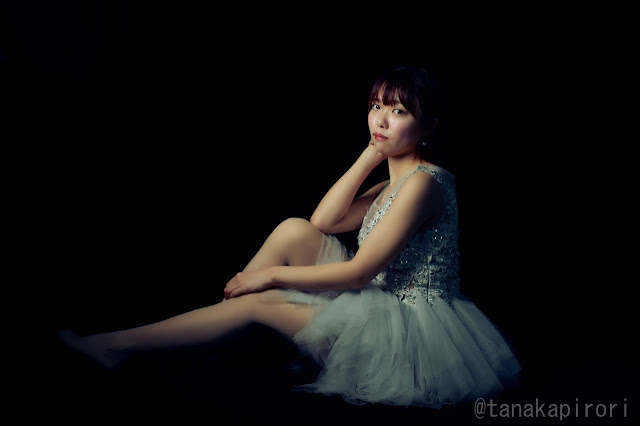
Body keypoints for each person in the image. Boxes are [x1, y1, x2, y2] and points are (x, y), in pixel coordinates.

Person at [59, 65, 522, 408]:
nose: (381, 119)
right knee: (293, 230)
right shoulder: (392, 183)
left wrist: (272, 277)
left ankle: (115, 345)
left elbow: (359, 274)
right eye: (376, 107)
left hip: (406, 338)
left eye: (398, 111)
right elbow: (323, 221)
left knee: (259, 298)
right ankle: (213, 333)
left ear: (429, 125)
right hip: (377, 307)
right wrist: (370, 155)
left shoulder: (424, 184)